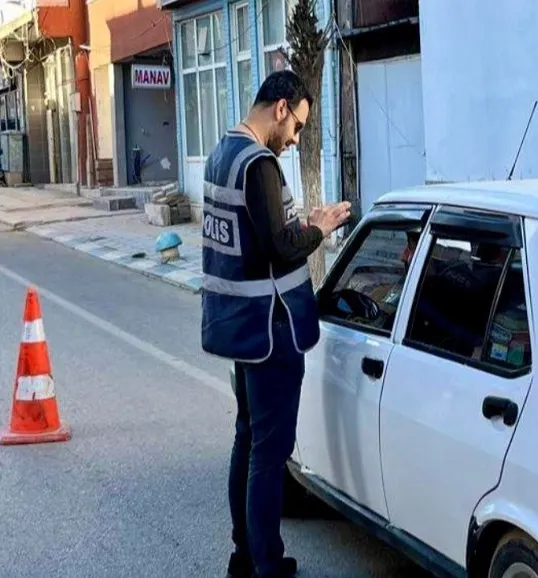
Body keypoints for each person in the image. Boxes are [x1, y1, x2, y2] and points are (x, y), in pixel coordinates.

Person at [199, 70, 351, 578]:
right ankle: (266, 563)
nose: (296, 139)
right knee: (269, 452)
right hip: (271, 329)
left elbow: (254, 236)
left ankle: (244, 556)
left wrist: (296, 226)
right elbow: (280, 247)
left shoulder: (223, 153)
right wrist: (319, 228)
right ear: (281, 108)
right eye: (298, 127)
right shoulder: (258, 163)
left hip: (241, 328)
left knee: (247, 439)